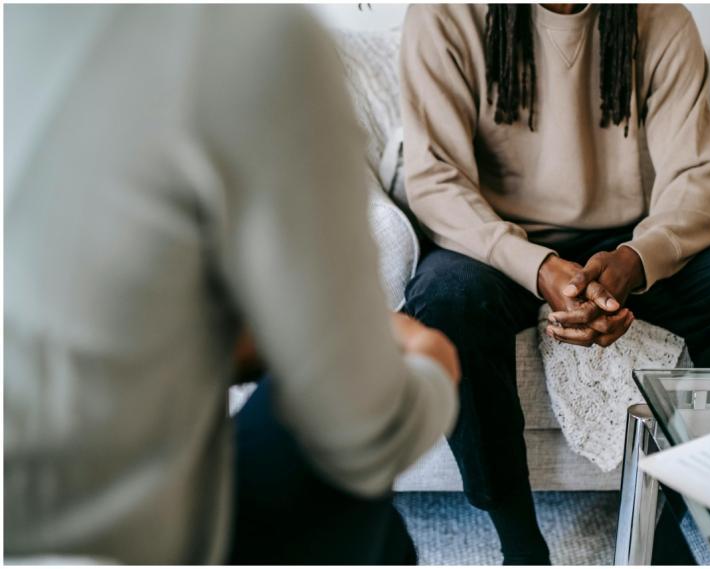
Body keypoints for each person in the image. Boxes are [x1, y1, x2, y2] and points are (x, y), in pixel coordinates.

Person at [5, 5, 460, 564]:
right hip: (122, 545)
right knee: (352, 484)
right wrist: (432, 361)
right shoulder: (250, 41)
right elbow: (363, 434)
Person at [400, 3, 710, 564]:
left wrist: (636, 261)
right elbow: (435, 177)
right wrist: (536, 267)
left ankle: (664, 524)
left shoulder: (661, 19)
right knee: (444, 302)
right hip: (494, 241)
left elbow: (694, 180)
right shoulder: (445, 14)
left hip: (619, 245)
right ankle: (519, 544)